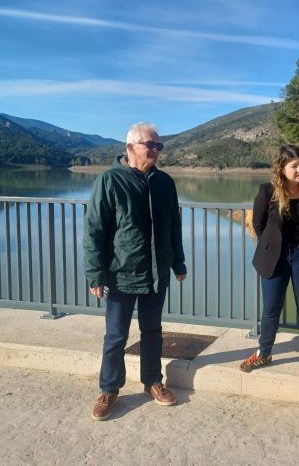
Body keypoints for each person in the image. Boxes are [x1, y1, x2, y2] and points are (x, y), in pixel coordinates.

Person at [83, 122, 186, 421]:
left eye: (158, 146)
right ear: (130, 147)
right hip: (121, 273)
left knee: (152, 331)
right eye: (150, 145)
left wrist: (178, 263)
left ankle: (152, 381)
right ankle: (109, 389)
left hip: (156, 272)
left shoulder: (165, 182)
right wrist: (95, 273)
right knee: (116, 335)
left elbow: (174, 226)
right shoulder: (110, 181)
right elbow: (94, 231)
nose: (155, 150)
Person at [239, 144, 299, 380]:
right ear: (282, 168)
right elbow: (258, 224)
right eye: (294, 166)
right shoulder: (267, 191)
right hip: (275, 257)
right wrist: (272, 246)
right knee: (271, 308)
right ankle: (264, 352)